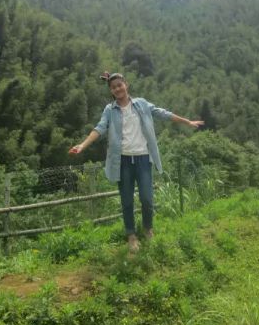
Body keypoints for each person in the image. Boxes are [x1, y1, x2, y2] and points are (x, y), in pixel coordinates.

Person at [69, 72, 204, 252]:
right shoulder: (110, 110)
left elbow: (163, 114)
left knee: (147, 199)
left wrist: (187, 122)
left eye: (120, 85)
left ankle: (148, 229)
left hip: (143, 158)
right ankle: (131, 235)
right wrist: (82, 145)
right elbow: (100, 128)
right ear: (111, 91)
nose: (117, 89)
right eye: (113, 87)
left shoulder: (141, 104)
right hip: (123, 161)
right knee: (127, 201)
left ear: (126, 84)